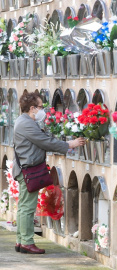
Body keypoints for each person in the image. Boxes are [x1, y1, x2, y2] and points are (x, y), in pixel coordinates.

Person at [12, 92, 85, 254]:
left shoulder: (23, 121)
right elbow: (45, 141)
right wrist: (69, 144)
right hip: (28, 170)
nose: (42, 110)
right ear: (32, 108)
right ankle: (26, 242)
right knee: (27, 208)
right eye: (40, 107)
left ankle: (21, 240)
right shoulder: (26, 123)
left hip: (26, 168)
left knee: (24, 206)